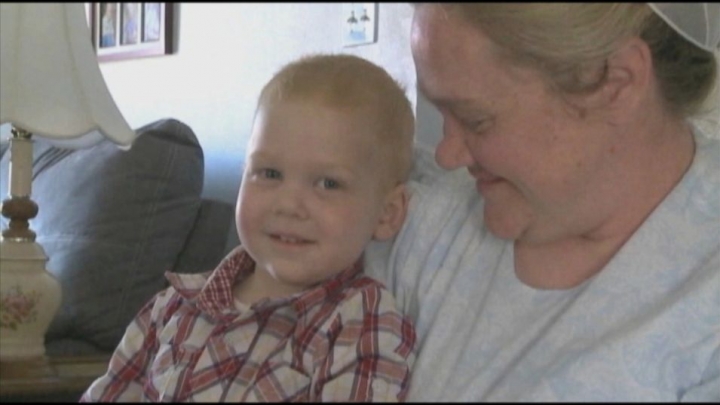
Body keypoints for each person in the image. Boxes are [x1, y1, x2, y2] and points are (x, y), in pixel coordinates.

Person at [364, 2, 720, 401]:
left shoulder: (706, 319)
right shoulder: (424, 223)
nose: (447, 155)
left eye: (476, 120)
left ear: (618, 82)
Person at [80, 54, 417, 402]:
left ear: (387, 214)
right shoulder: (172, 307)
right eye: (269, 173)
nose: (288, 204)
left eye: (328, 183)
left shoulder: (361, 323)